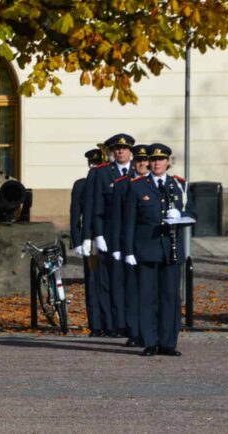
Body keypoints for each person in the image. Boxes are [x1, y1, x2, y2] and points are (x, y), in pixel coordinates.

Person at [122, 143, 193, 357]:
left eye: (161, 159)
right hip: (147, 249)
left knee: (171, 297)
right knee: (148, 297)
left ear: (168, 162)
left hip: (171, 250)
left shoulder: (180, 185)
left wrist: (181, 217)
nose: (157, 163)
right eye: (153, 160)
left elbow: (192, 211)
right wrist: (128, 251)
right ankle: (150, 341)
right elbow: (129, 222)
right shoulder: (137, 186)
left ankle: (168, 342)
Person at [87, 133, 135, 337]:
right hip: (108, 232)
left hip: (133, 234)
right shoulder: (102, 173)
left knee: (131, 281)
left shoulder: (139, 171)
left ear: (131, 151)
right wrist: (97, 234)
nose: (120, 151)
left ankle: (131, 323)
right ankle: (115, 324)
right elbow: (95, 205)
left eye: (124, 148)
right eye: (117, 148)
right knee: (111, 281)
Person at [114, 144, 151, 347]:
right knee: (132, 291)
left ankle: (149, 331)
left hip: (150, 243)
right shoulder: (122, 184)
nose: (142, 164)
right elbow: (119, 218)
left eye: (145, 161)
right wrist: (120, 247)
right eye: (139, 160)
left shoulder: (154, 183)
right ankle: (134, 331)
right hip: (130, 243)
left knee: (149, 292)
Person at [71, 148, 104, 333]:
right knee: (92, 283)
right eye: (92, 165)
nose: (95, 168)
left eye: (98, 165)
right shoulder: (81, 185)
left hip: (109, 239)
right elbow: (75, 214)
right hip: (90, 239)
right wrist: (77, 241)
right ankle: (96, 324)